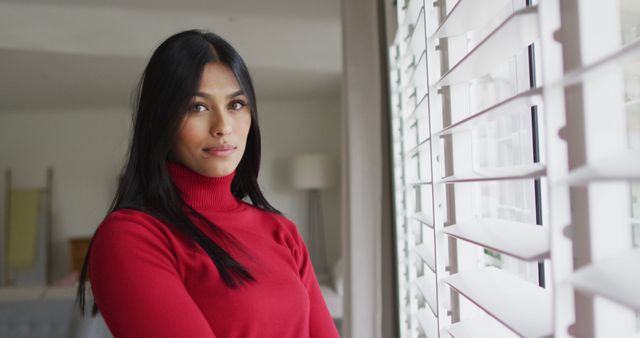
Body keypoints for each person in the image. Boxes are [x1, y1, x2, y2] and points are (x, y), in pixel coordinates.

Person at [75, 29, 340, 338]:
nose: (223, 127)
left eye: (236, 104)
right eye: (198, 107)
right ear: (162, 119)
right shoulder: (131, 236)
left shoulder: (282, 233)